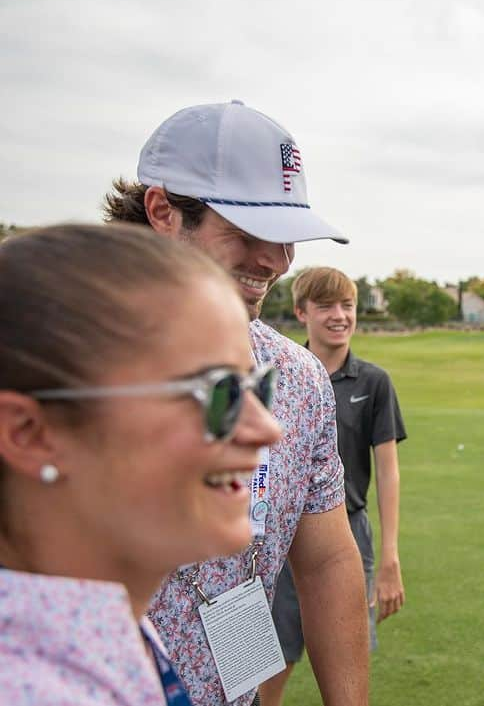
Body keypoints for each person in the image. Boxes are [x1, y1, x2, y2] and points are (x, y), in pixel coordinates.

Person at [103, 101, 369, 706]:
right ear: (164, 212)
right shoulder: (66, 362)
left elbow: (326, 559)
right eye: (248, 233)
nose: (275, 260)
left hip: (233, 665)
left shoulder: (297, 377)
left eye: (287, 238)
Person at [0, 224, 282, 705]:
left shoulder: (93, 629)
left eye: (257, 387)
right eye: (218, 392)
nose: (266, 429)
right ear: (30, 433)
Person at [260, 267, 407, 706]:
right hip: (277, 537)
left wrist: (389, 557)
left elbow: (387, 471)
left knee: (346, 661)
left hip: (349, 533)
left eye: (347, 305)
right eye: (325, 306)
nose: (339, 316)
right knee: (268, 663)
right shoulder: (277, 376)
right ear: (301, 312)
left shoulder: (374, 382)